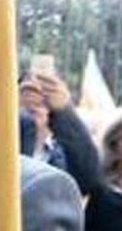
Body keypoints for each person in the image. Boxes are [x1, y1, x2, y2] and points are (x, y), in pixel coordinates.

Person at [18, 66, 101, 196]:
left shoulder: (61, 155)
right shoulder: (3, 142)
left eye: (47, 91)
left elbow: (89, 181)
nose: (37, 96)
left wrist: (64, 112)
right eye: (29, 90)